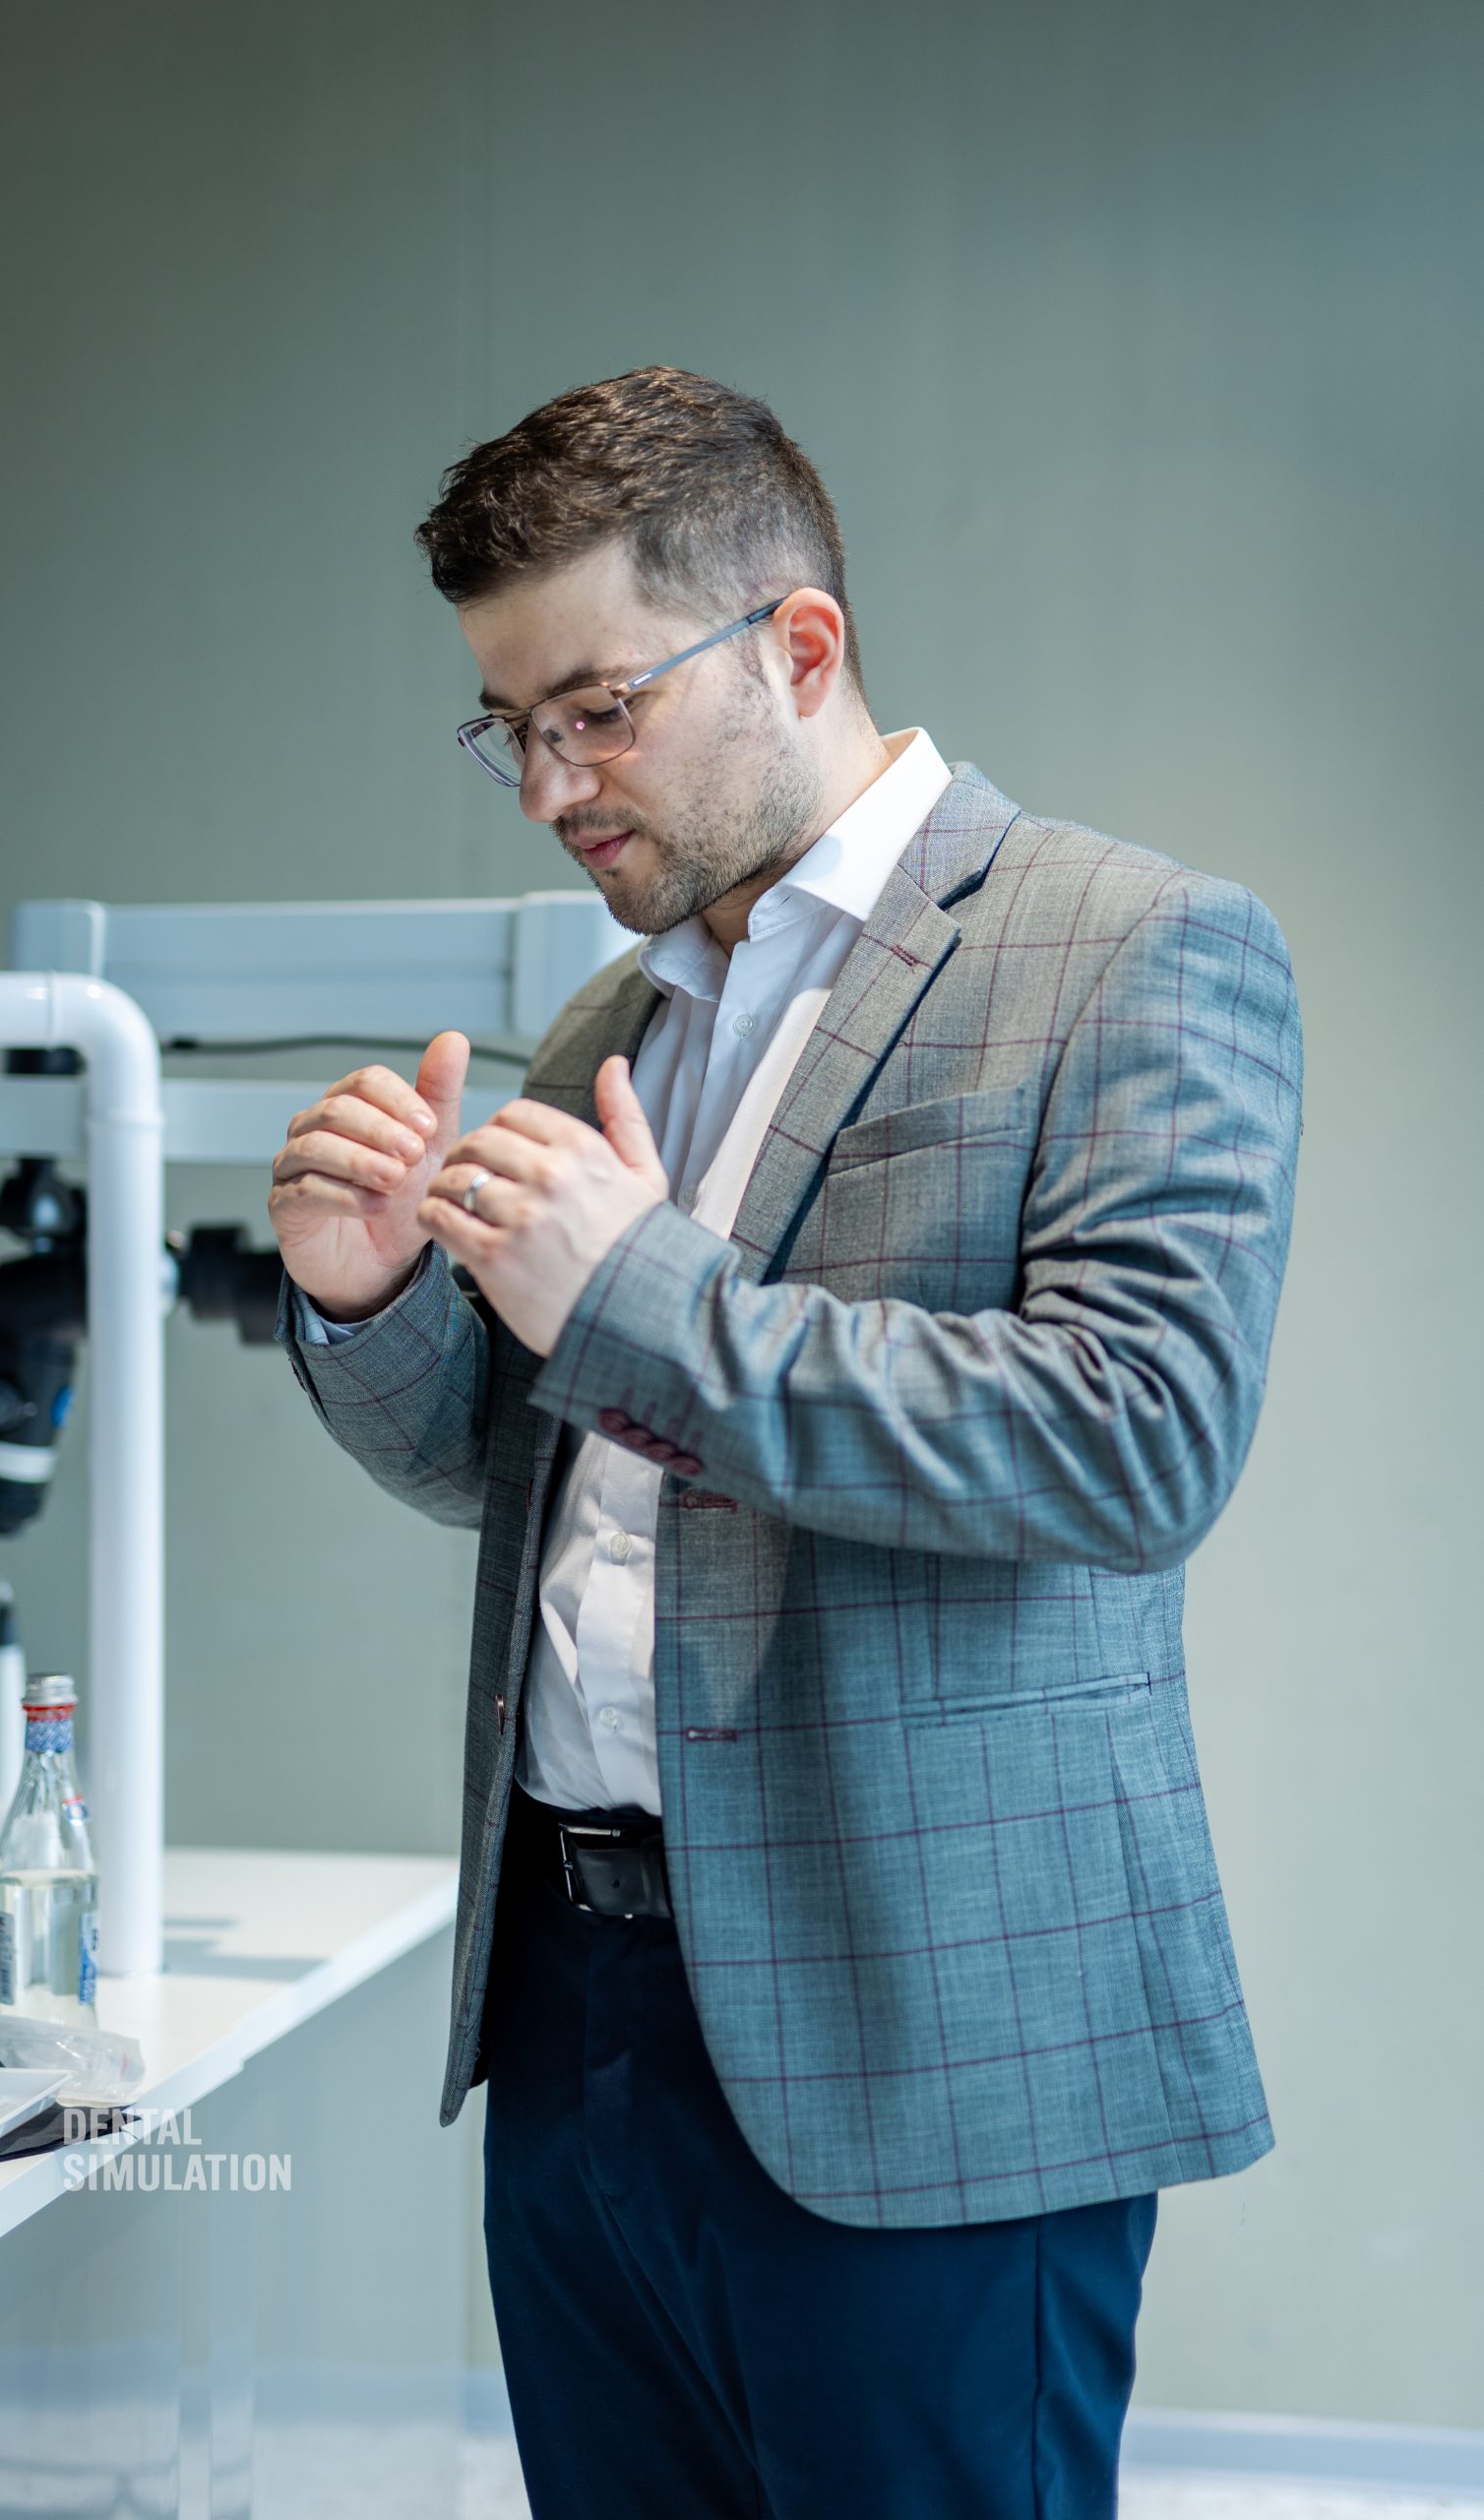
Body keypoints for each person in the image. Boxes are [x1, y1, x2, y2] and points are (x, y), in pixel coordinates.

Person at [268, 366, 1303, 2520]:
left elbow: (1141, 1439)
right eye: (507, 727)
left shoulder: (1131, 945)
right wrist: (371, 1300)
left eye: (597, 710)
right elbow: (525, 1466)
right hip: (574, 2012)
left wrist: (640, 1286)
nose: (547, 786)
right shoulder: (612, 1016)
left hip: (923, 2029)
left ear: (799, 645)